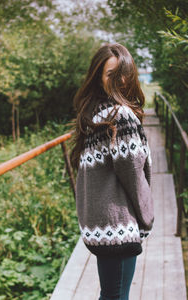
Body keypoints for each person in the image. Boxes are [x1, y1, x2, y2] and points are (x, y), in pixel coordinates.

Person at [69, 43, 154, 300]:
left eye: (123, 73)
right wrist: (146, 219)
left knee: (110, 294)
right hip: (117, 225)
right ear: (98, 78)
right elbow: (133, 176)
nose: (120, 80)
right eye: (110, 75)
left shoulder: (94, 114)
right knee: (116, 296)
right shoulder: (121, 116)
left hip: (99, 225)